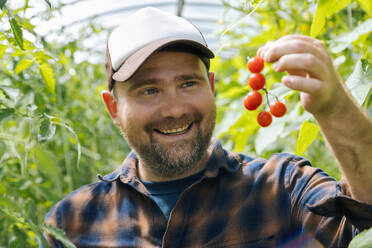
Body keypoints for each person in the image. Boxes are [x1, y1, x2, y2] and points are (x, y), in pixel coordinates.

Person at [44, 7, 372, 248]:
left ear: (211, 87)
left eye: (188, 83)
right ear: (114, 108)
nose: (175, 109)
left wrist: (336, 109)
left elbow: (363, 228)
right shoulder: (72, 223)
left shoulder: (283, 189)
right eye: (149, 90)